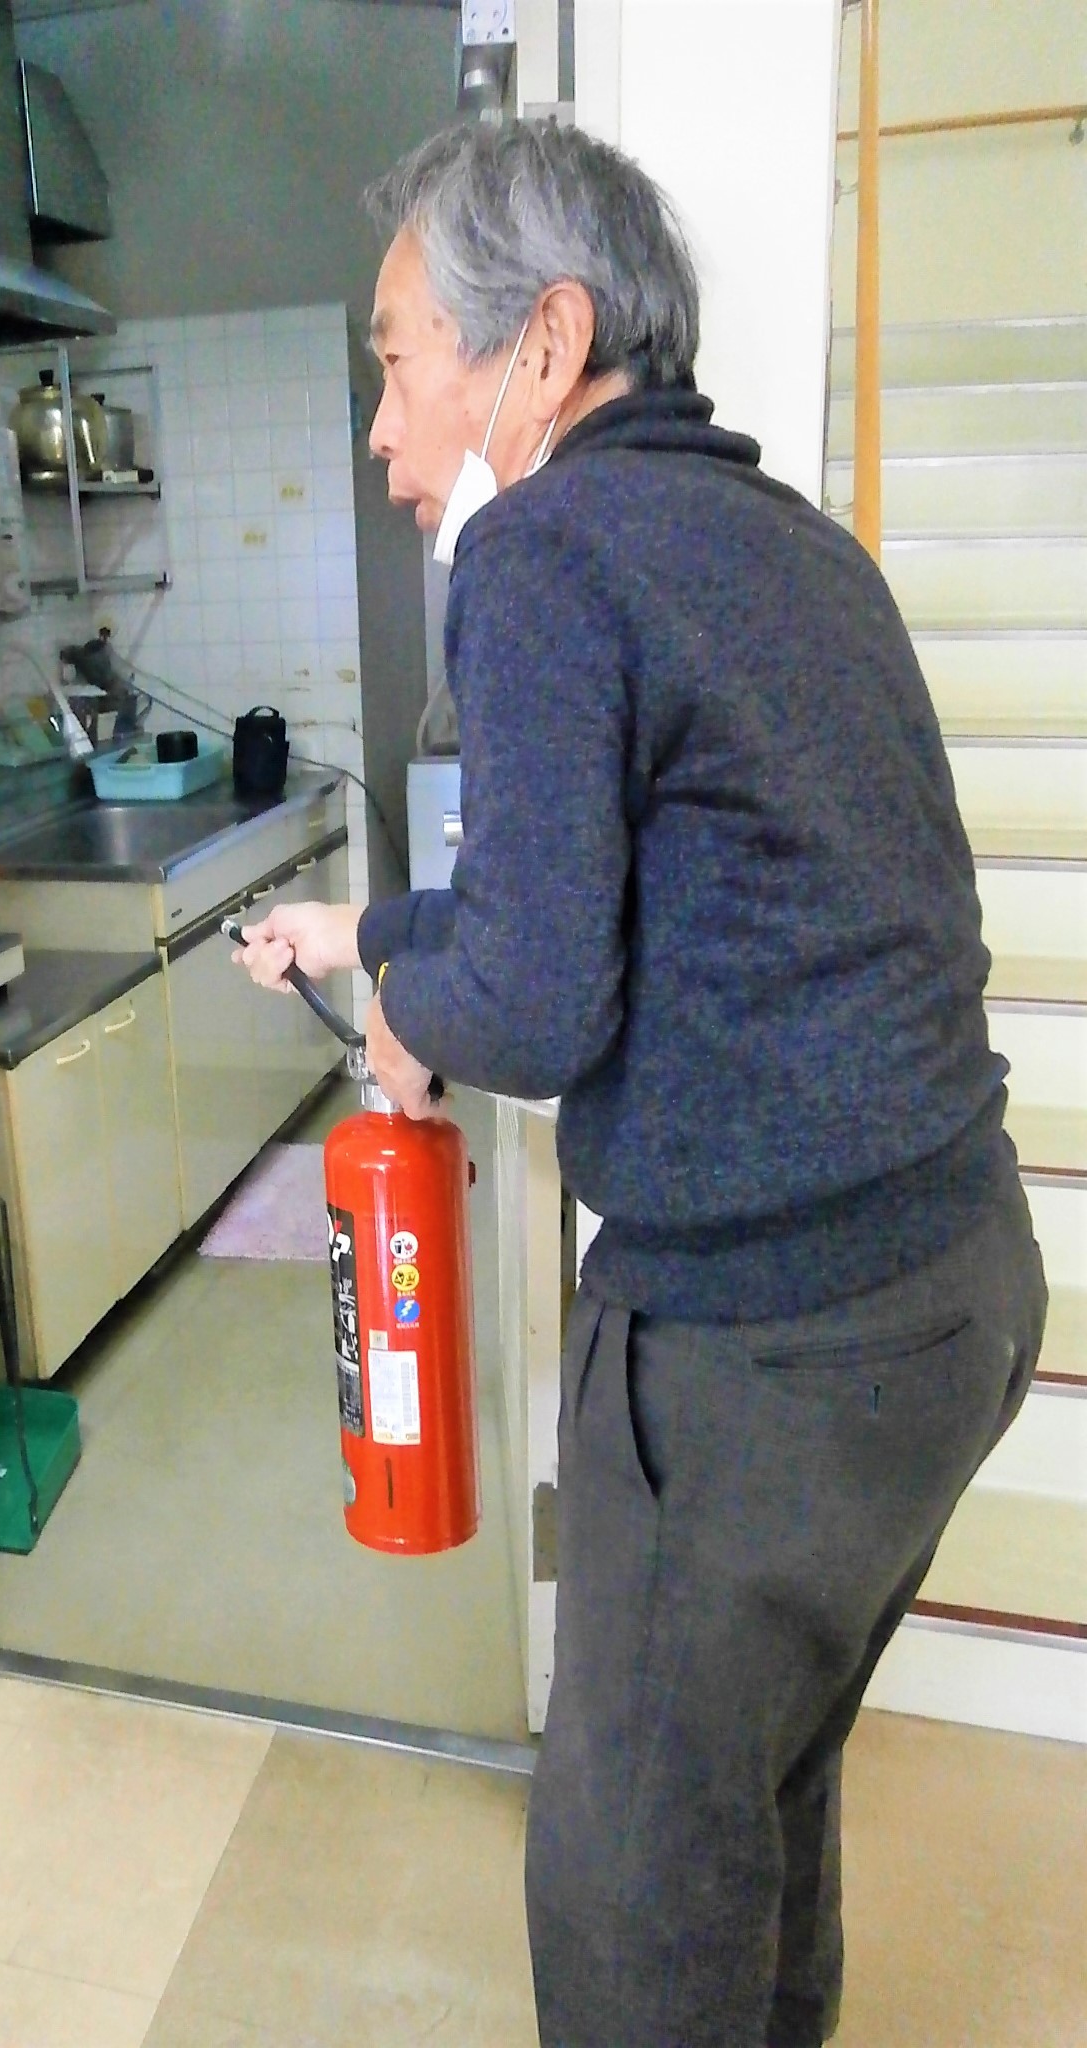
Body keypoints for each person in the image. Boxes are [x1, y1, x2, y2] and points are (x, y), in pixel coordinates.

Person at [231, 119, 1048, 2048]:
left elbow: (531, 999)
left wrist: (414, 1002)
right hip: (959, 1299)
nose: (383, 428)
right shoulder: (788, 546)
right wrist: (372, 936)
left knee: (632, 1891)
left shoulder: (540, 552)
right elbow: (651, 881)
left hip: (763, 1354)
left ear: (543, 345)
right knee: (761, 1788)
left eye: (397, 360)